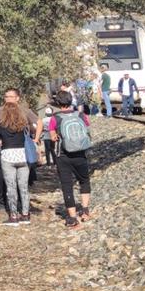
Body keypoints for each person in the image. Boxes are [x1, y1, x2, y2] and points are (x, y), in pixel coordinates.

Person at [48, 91, 93, 229]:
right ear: (70, 101)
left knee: (67, 186)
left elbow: (52, 137)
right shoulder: (81, 115)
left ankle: (73, 217)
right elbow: (87, 129)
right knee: (84, 180)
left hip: (64, 156)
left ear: (58, 103)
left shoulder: (55, 118)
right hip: (80, 154)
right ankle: (85, 210)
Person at [0, 89, 32, 227]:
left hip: (8, 156)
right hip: (22, 155)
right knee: (23, 186)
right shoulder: (22, 125)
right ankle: (26, 214)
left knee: (11, 187)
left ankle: (14, 216)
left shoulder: (2, 126)